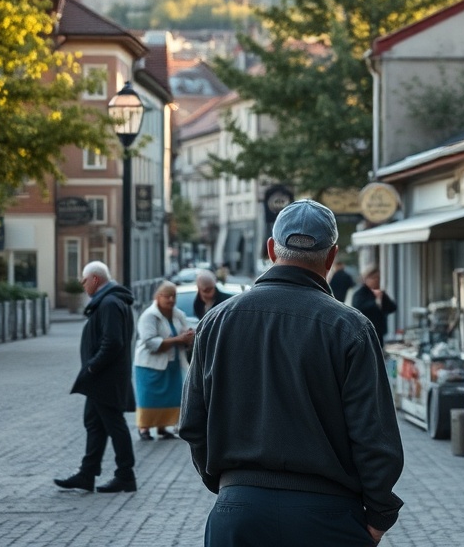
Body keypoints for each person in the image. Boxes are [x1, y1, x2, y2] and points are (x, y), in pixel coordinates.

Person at [179, 199, 404, 546]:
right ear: (331, 257)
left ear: (272, 249)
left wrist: (232, 488)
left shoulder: (216, 322)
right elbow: (375, 436)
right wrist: (378, 516)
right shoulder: (350, 328)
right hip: (328, 515)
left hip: (239, 513)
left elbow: (193, 422)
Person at [54, 261, 137, 493]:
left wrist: (92, 367)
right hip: (101, 379)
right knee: (94, 424)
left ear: (95, 280)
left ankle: (126, 475)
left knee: (114, 424)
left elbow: (113, 342)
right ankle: (87, 473)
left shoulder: (110, 303)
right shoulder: (109, 301)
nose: (82, 285)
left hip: (104, 379)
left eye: (84, 280)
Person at [133, 280, 194, 441]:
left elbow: (184, 332)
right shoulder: (149, 316)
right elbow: (150, 342)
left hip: (171, 362)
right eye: (167, 296)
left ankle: (162, 428)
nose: (171, 300)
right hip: (150, 365)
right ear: (158, 297)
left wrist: (188, 337)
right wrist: (178, 339)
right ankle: (144, 428)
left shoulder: (178, 314)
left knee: (170, 397)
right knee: (148, 397)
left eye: (173, 296)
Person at [350, 263, 396, 345]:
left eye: (378, 278)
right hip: (365, 332)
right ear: (365, 279)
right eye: (373, 278)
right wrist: (376, 302)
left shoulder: (379, 293)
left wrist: (382, 298)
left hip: (379, 331)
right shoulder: (360, 293)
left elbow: (392, 307)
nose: (376, 280)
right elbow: (358, 308)